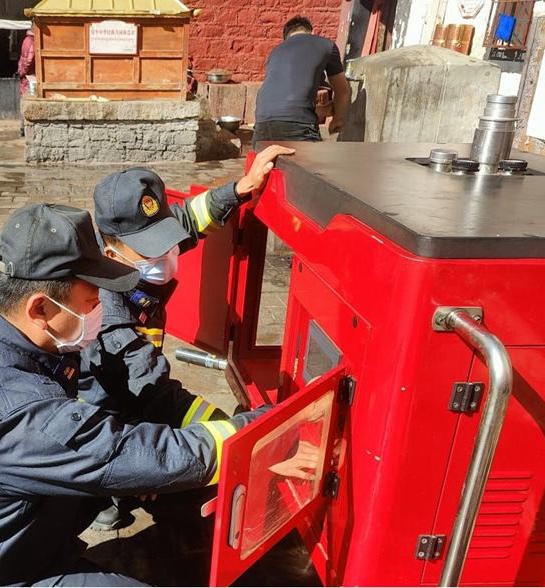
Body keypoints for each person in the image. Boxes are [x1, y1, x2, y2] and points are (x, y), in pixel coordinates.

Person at [0, 204, 271, 586]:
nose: (100, 311)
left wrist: (138, 474)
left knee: (146, 474)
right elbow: (137, 453)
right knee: (149, 467)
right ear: (40, 307)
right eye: (92, 303)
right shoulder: (15, 412)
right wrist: (262, 432)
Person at [80, 145, 294, 530]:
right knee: (140, 452)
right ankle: (100, 495)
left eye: (166, 242)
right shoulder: (108, 319)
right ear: (111, 253)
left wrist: (240, 189)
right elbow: (159, 398)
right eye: (151, 251)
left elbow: (188, 218)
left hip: (136, 383)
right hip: (101, 409)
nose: (167, 255)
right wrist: (244, 433)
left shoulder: (130, 249)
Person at [253, 15, 352, 150]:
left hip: (262, 124)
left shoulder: (275, 52)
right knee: (309, 164)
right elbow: (342, 91)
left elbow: (286, 105)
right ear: (311, 32)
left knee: (266, 164)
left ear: (286, 37)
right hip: (298, 127)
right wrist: (337, 119)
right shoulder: (326, 45)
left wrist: (325, 110)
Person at [17, 29, 35, 137]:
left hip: (25, 76)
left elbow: (23, 59)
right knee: (29, 100)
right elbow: (29, 60)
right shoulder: (32, 42)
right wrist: (24, 71)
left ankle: (22, 128)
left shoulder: (26, 40)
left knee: (24, 99)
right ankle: (26, 128)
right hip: (30, 76)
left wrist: (21, 71)